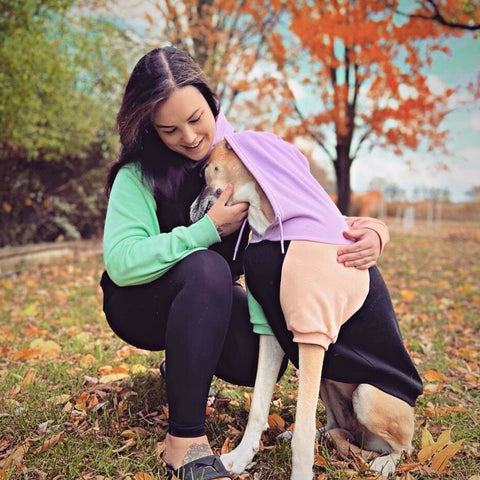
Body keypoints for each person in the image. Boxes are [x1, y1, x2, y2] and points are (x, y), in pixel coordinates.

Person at [100, 46, 390, 480]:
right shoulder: (137, 176)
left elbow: (303, 211)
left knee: (261, 346)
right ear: (149, 128)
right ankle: (185, 443)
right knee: (207, 267)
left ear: (212, 103)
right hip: (141, 302)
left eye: (197, 118)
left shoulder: (246, 154)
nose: (190, 136)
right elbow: (121, 262)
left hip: (205, 304)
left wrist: (373, 230)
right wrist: (205, 231)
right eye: (169, 128)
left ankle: (183, 368)